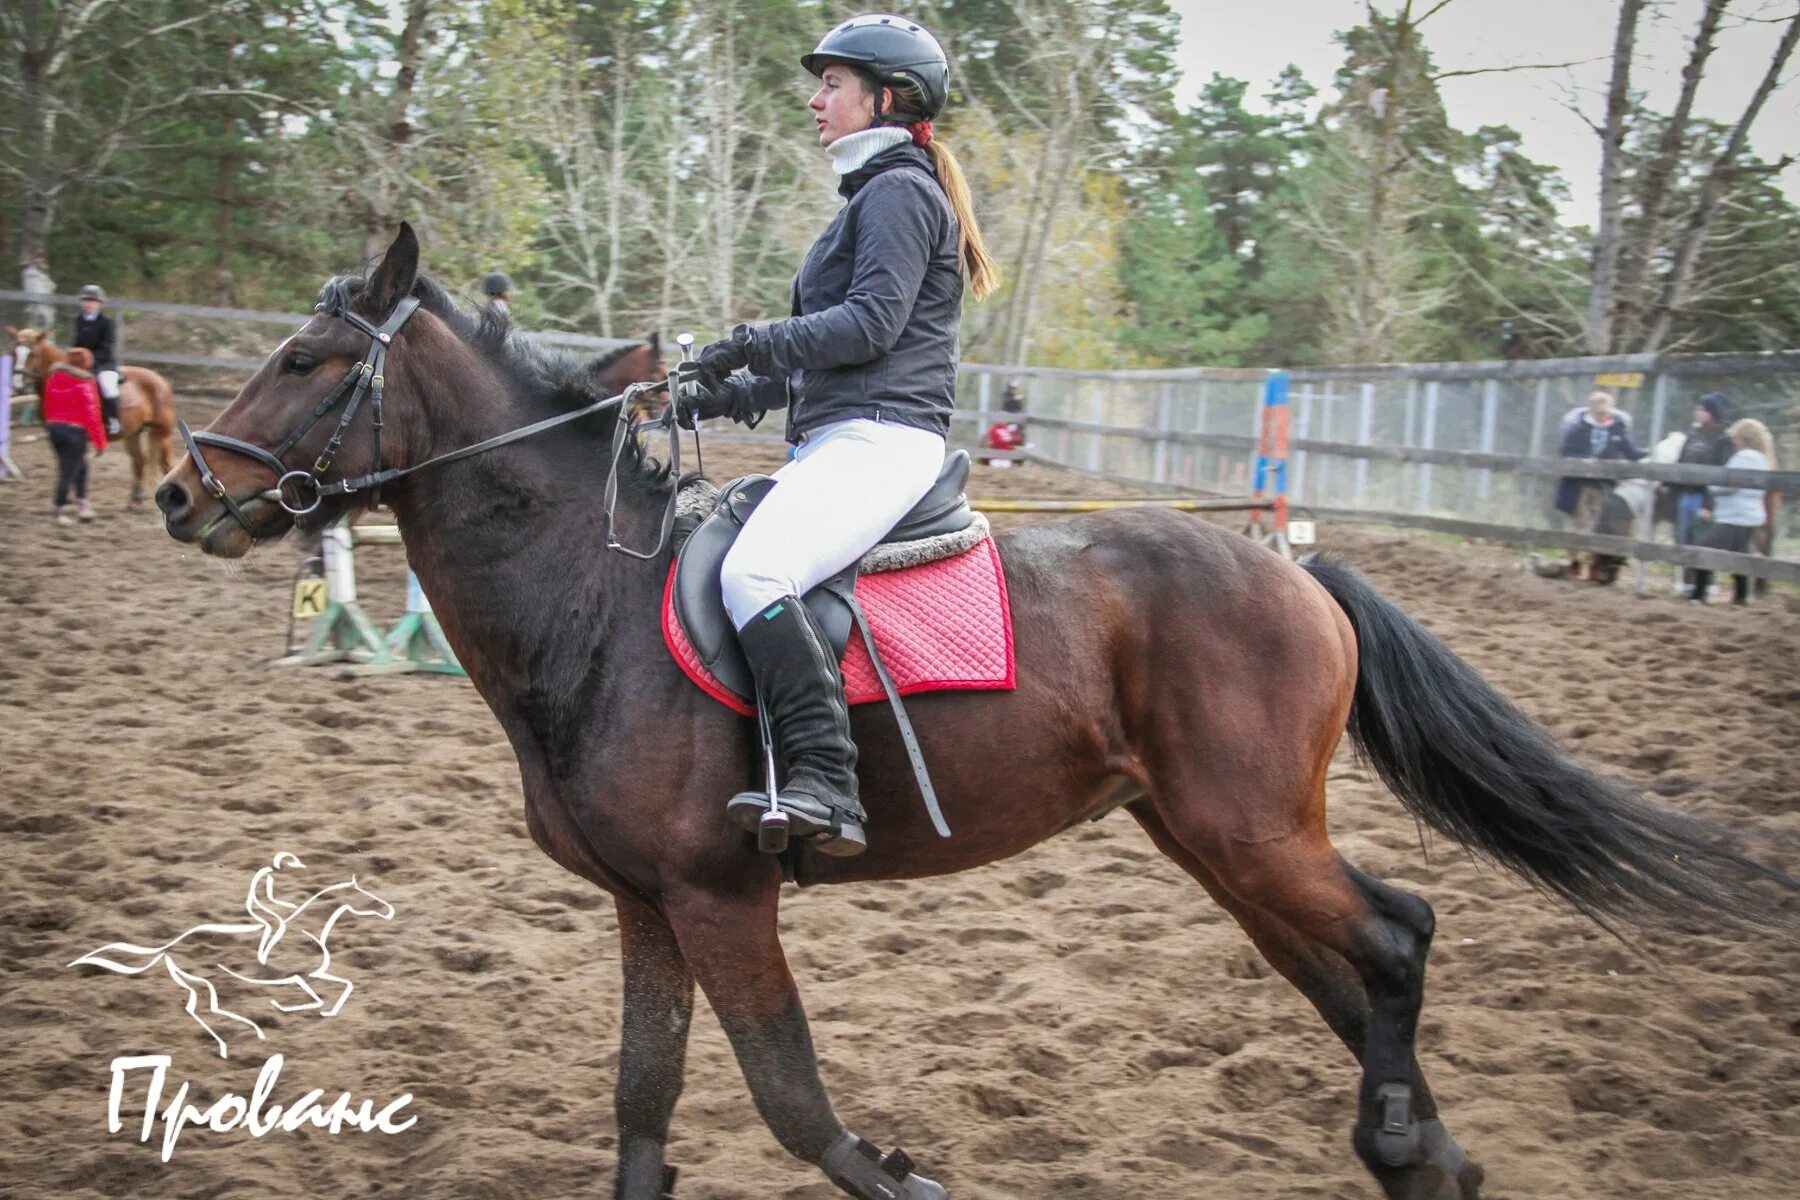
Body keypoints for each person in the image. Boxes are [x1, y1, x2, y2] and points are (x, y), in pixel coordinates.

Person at [677, 13, 998, 857]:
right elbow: (817, 362)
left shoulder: (898, 190)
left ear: (883, 99)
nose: (816, 100)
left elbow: (869, 327)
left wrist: (751, 337)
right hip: (841, 434)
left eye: (832, 85)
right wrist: (719, 396)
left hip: (883, 439)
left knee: (756, 570)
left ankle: (826, 780)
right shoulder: (874, 194)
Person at [1554, 391, 1644, 579]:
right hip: (1580, 485)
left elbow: (1631, 452)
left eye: (1606, 412)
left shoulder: (1616, 429)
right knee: (1579, 523)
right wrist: (1586, 461)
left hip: (1603, 485)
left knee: (1600, 525)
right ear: (1592, 410)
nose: (1603, 416)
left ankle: (1595, 566)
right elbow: (1566, 453)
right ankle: (1574, 563)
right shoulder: (1578, 429)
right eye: (1599, 412)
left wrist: (1652, 454)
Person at [1688, 418, 1775, 605]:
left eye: (1734, 438)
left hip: (1735, 516)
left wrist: (1712, 486)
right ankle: (1741, 597)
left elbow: (1728, 484)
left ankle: (1699, 594)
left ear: (1741, 438)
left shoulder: (1743, 457)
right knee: (1740, 557)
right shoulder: (1762, 459)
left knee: (1705, 549)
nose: (1733, 442)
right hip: (1750, 516)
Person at [42, 346, 106, 524]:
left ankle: (82, 503)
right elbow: (92, 414)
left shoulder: (54, 378)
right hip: (74, 432)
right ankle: (58, 509)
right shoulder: (86, 383)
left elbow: (46, 405)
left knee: (81, 464)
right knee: (68, 471)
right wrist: (99, 442)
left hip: (54, 429)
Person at [1672, 393, 1732, 549]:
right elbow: (1681, 461)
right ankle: (1684, 573)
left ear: (1711, 413)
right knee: (1682, 541)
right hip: (1686, 495)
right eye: (1698, 409)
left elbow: (1721, 474)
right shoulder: (1692, 434)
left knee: (1701, 542)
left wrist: (1709, 505)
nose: (1698, 412)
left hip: (1704, 498)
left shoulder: (1722, 439)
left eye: (1702, 409)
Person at [71, 284, 122, 436]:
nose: (89, 304)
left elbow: (107, 346)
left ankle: (113, 420)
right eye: (86, 300)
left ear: (99, 304)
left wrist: (91, 360)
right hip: (82, 363)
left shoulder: (107, 323)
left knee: (107, 386)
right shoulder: (78, 320)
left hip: (104, 362)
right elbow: (77, 343)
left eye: (92, 301)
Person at [982, 382, 1026, 466]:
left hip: (1016, 420)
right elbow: (1007, 404)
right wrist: (1015, 398)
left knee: (1021, 433)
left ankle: (1020, 454)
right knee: (1008, 432)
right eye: (1013, 389)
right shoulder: (1007, 397)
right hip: (1009, 420)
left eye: (1015, 389)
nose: (1014, 391)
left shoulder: (1016, 398)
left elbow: (1019, 409)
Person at [21, 250, 55, 330]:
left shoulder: (43, 275)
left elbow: (51, 287)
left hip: (44, 303)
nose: (40, 262)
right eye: (37, 259)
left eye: (41, 259)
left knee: (47, 321)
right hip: (34, 302)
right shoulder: (29, 273)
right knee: (32, 323)